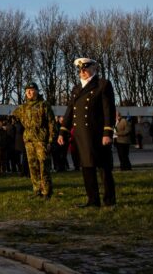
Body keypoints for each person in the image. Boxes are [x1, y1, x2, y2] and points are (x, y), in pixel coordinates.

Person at [59, 57, 116, 208]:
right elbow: (70, 111)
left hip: (98, 134)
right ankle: (93, 200)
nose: (82, 72)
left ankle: (109, 200)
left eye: (85, 68)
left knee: (104, 168)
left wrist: (107, 133)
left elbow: (108, 110)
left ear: (93, 68)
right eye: (80, 70)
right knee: (87, 167)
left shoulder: (102, 84)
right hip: (81, 135)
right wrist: (63, 131)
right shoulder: (76, 88)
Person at [11, 82, 54, 199]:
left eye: (31, 90)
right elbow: (13, 117)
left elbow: (51, 123)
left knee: (43, 165)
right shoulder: (23, 107)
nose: (29, 92)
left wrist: (51, 140)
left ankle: (46, 191)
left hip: (41, 139)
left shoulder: (44, 105)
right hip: (29, 140)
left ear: (36, 91)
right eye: (27, 91)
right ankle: (37, 190)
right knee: (32, 166)